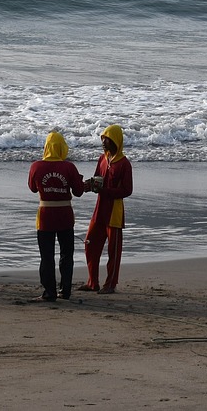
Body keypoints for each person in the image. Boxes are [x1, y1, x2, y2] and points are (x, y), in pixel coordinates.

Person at [28, 131, 84, 301]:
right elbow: (79, 191)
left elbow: (32, 188)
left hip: (45, 216)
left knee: (46, 256)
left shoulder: (36, 167)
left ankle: (49, 292)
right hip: (65, 216)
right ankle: (65, 291)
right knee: (66, 255)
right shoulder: (69, 167)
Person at [80, 124, 133, 294]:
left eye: (107, 140)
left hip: (114, 212)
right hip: (99, 210)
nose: (103, 142)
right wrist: (85, 186)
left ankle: (110, 284)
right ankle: (92, 282)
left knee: (113, 251)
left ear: (115, 141)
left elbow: (127, 190)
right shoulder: (102, 159)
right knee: (90, 244)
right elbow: (97, 179)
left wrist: (105, 191)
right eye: (102, 139)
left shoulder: (124, 164)